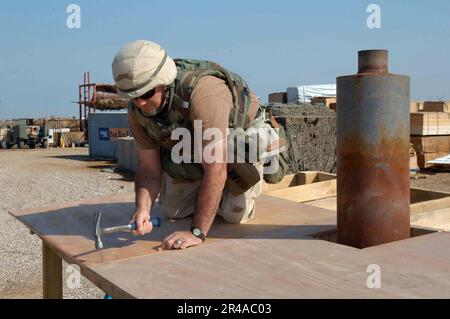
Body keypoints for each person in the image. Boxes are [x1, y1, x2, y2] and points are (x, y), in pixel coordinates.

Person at [112, 40, 286, 251]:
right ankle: (213, 195)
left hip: (240, 135)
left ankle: (250, 173)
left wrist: (197, 232)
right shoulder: (137, 111)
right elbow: (149, 168)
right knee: (171, 211)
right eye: (132, 96)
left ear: (164, 83)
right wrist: (142, 208)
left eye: (147, 94)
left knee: (233, 215)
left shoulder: (203, 93)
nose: (139, 103)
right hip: (196, 140)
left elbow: (216, 169)